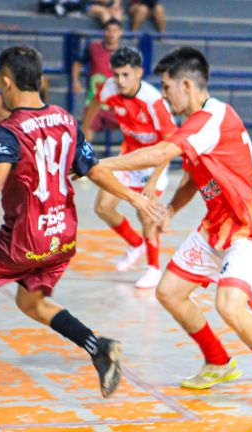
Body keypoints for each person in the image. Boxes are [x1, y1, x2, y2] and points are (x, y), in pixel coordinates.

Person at [0, 45, 162, 398]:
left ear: (5, 83)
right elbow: (92, 169)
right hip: (62, 239)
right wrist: (134, 196)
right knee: (30, 302)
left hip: (23, 240)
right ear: (41, 81)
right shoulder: (65, 118)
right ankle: (97, 347)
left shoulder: (8, 129)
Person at [100, 47, 252, 417]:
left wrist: (99, 165)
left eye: (166, 87)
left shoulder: (212, 119)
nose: (163, 95)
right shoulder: (197, 121)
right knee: (170, 292)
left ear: (187, 85)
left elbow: (158, 152)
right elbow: (194, 175)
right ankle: (218, 362)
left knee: (229, 305)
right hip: (216, 224)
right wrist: (172, 209)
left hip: (246, 226)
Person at [81, 46, 176, 289]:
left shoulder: (154, 101)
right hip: (129, 156)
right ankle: (135, 244)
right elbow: (94, 103)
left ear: (138, 73)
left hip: (155, 161)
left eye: (126, 75)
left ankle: (153, 268)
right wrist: (85, 131)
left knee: (145, 214)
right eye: (116, 75)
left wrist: (153, 180)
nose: (120, 81)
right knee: (102, 207)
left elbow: (172, 145)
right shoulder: (110, 88)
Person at [72, 18, 122, 138]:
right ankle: (86, 157)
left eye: (115, 31)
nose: (111, 34)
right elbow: (78, 63)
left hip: (117, 102)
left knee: (133, 127)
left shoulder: (124, 53)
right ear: (104, 31)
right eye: (109, 30)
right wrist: (76, 81)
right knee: (86, 130)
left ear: (120, 33)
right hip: (93, 100)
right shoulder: (93, 48)